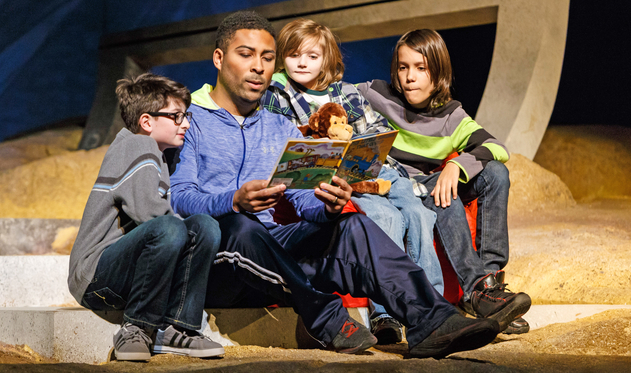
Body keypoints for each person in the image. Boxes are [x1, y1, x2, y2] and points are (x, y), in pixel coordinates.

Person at [169, 10, 500, 358]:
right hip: (218, 265)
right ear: (219, 58)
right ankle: (325, 317)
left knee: (352, 224)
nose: (258, 67)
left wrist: (328, 204)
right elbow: (178, 198)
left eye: (267, 58)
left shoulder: (278, 127)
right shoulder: (189, 117)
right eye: (246, 54)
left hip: (274, 258)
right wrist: (234, 200)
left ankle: (432, 320)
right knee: (240, 226)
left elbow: (301, 198)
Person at [259, 18, 443, 344]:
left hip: (370, 167)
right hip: (332, 174)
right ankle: (384, 312)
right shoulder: (277, 93)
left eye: (312, 56)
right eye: (293, 55)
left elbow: (375, 130)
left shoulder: (346, 93)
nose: (302, 63)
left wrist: (369, 146)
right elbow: (277, 140)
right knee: (385, 216)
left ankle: (434, 304)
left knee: (417, 213)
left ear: (327, 59)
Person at [358, 29, 531, 333]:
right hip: (403, 187)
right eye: (403, 67)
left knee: (496, 174)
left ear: (438, 75)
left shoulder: (451, 116)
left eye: (421, 68)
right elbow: (327, 89)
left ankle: (491, 288)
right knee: (445, 197)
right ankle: (475, 292)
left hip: (435, 180)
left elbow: (497, 148)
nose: (410, 76)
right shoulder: (377, 94)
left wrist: (457, 166)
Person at [68, 73, 225, 361]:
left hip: (124, 273)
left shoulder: (158, 154)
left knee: (205, 226)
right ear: (146, 122)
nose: (186, 123)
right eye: (176, 116)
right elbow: (149, 214)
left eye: (186, 115)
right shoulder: (138, 145)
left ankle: (177, 329)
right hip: (95, 277)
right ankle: (137, 327)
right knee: (168, 228)